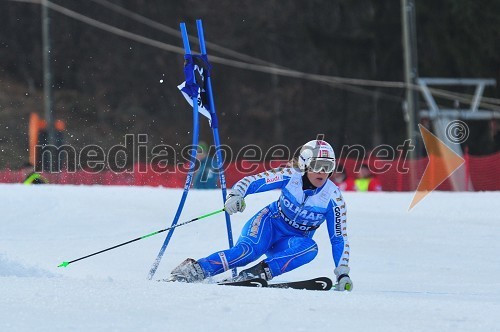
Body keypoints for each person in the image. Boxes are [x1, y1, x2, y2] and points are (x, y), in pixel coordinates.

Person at [169, 139, 353, 291]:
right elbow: (251, 181)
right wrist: (236, 195)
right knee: (248, 252)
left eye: (327, 166)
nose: (322, 171)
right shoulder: (290, 176)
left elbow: (339, 237)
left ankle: (257, 273)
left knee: (310, 248)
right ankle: (195, 269)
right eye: (316, 165)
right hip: (268, 224)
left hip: (289, 242)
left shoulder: (333, 198)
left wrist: (343, 272)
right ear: (304, 164)